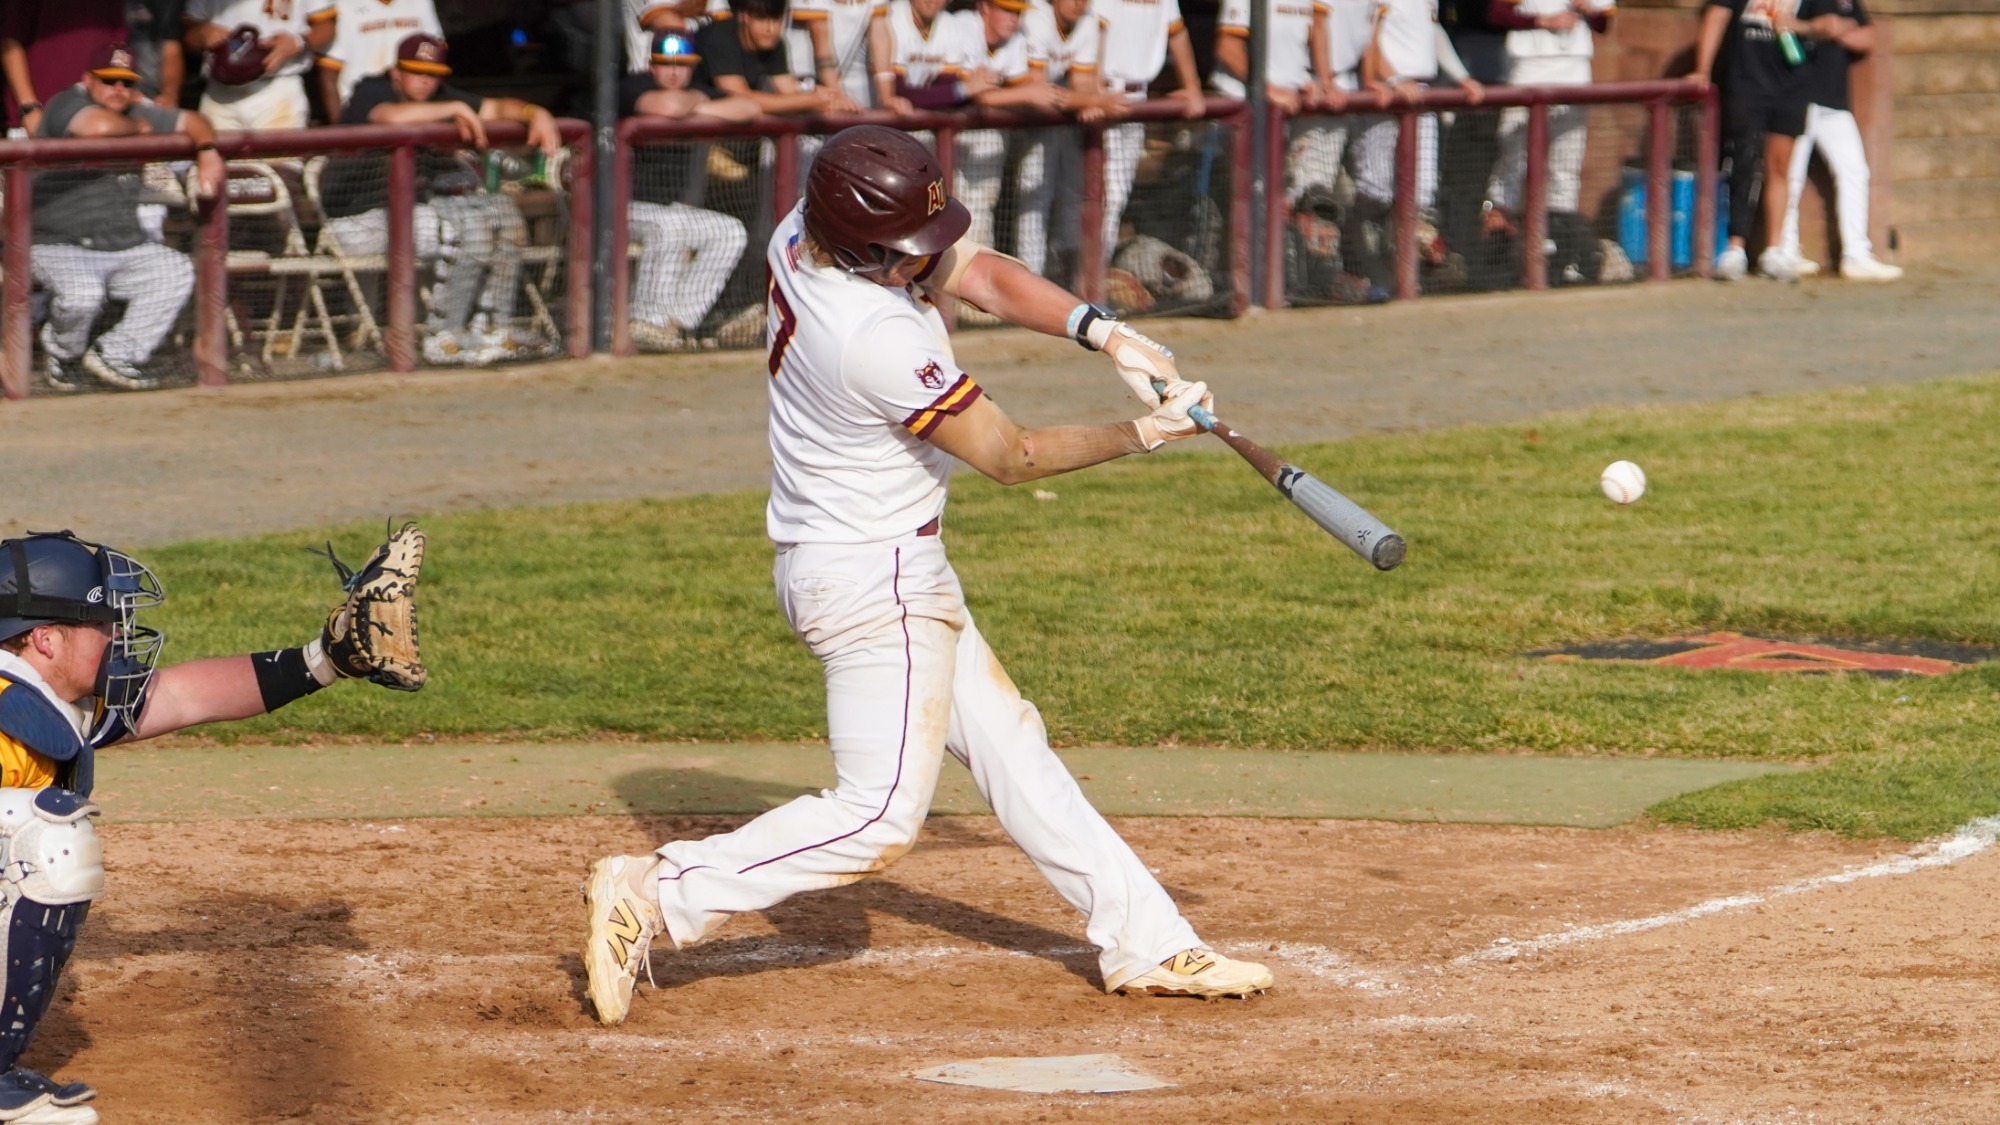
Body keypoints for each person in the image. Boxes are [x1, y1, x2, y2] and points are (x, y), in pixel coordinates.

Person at [581, 125, 1275, 1027]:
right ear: (867, 246)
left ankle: (1147, 938)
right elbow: (1012, 453)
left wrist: (1103, 332)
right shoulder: (868, 335)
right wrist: (1145, 432)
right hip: (875, 585)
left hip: (872, 558)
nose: (926, 262)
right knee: (877, 819)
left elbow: (973, 271)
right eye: (908, 251)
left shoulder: (806, 225)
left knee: (1015, 752)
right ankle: (662, 889)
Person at [0, 524, 427, 1125]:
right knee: (46, 841)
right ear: (45, 637)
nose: (119, 635)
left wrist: (326, 660)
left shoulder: (39, 699)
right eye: (102, 623)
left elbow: (181, 697)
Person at [318, 33, 564, 365]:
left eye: (432, 74)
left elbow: (498, 107)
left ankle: (492, 326)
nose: (425, 81)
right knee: (463, 229)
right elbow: (388, 117)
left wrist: (536, 112)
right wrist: (455, 108)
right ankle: (442, 336)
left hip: (405, 218)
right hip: (355, 221)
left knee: (502, 216)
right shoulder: (371, 89)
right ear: (396, 73)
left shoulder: (439, 95)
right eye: (416, 72)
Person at [30, 43, 224, 393]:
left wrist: (208, 150)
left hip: (121, 243)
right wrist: (141, 127)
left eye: (127, 82)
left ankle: (115, 354)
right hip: (56, 243)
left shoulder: (134, 109)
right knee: (82, 295)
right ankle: (64, 354)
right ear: (88, 80)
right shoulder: (67, 101)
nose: (119, 89)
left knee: (174, 271)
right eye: (109, 80)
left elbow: (195, 121)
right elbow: (97, 129)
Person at [1693, 0, 1850, 280]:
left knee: (1779, 167)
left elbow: (1833, 24)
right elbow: (1716, 15)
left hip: (1792, 87)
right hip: (1746, 83)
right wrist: (1702, 69)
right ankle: (1734, 248)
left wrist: (1798, 25)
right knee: (1741, 162)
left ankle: (1775, 248)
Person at [622, 30, 759, 350]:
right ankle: (646, 323)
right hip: (624, 209)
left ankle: (677, 324)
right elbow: (668, 107)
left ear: (693, 66)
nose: (673, 72)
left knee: (729, 231)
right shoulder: (632, 86)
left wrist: (695, 106)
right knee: (668, 227)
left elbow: (748, 107)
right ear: (651, 65)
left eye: (681, 65)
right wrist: (698, 104)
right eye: (665, 64)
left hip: (670, 209)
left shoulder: (696, 92)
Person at [1348, 0, 1484, 290]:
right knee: (1376, 191)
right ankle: (1361, 265)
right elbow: (1365, 38)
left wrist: (1462, 77)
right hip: (1382, 92)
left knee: (1421, 196)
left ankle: (1407, 276)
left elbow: (1432, 31)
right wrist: (1394, 79)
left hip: (1420, 92)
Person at [1775, 0, 1899, 280]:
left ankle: (1856, 254)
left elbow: (1867, 38)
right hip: (1796, 94)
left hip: (1834, 101)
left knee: (1855, 171)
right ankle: (1785, 250)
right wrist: (1820, 27)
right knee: (1790, 175)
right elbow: (1781, 23)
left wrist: (1833, 30)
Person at [1484, 0, 1612, 258]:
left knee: (1565, 164)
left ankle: (1559, 242)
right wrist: (1542, 21)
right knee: (1514, 158)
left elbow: (1603, 23)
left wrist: (1588, 8)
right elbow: (1496, 13)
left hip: (1575, 73)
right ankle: (1499, 236)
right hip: (1529, 69)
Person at [1092, 0, 1205, 263]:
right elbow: (1095, 30)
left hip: (1136, 95)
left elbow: (1177, 31)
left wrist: (1192, 86)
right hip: (1107, 92)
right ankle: (1081, 284)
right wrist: (1094, 89)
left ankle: (1092, 282)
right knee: (1097, 198)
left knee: (1114, 197)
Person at [1014, 0, 1115, 279]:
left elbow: (1082, 84)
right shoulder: (1037, 18)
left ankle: (1071, 278)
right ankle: (1029, 278)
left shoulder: (1088, 21)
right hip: (1010, 115)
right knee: (1033, 194)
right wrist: (1094, 100)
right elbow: (1039, 89)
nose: (1078, 3)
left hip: (1059, 115)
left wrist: (1089, 101)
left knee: (1074, 192)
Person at [181, 0, 336, 131]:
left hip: (277, 86)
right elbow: (187, 27)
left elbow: (327, 26)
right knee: (217, 163)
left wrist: (299, 42)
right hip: (220, 90)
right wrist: (201, 32)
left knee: (279, 164)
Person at [1, 0, 129, 137]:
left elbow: (118, 47)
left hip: (103, 120)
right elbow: (9, 40)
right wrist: (28, 108)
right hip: (41, 119)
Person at [315, 0, 441, 117]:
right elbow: (328, 74)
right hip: (362, 104)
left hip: (414, 107)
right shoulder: (342, 4)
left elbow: (435, 56)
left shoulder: (420, 2)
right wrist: (341, 130)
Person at [123, 0, 186, 106]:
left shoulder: (164, 4)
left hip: (147, 95)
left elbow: (171, 50)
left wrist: (169, 95)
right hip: (104, 87)